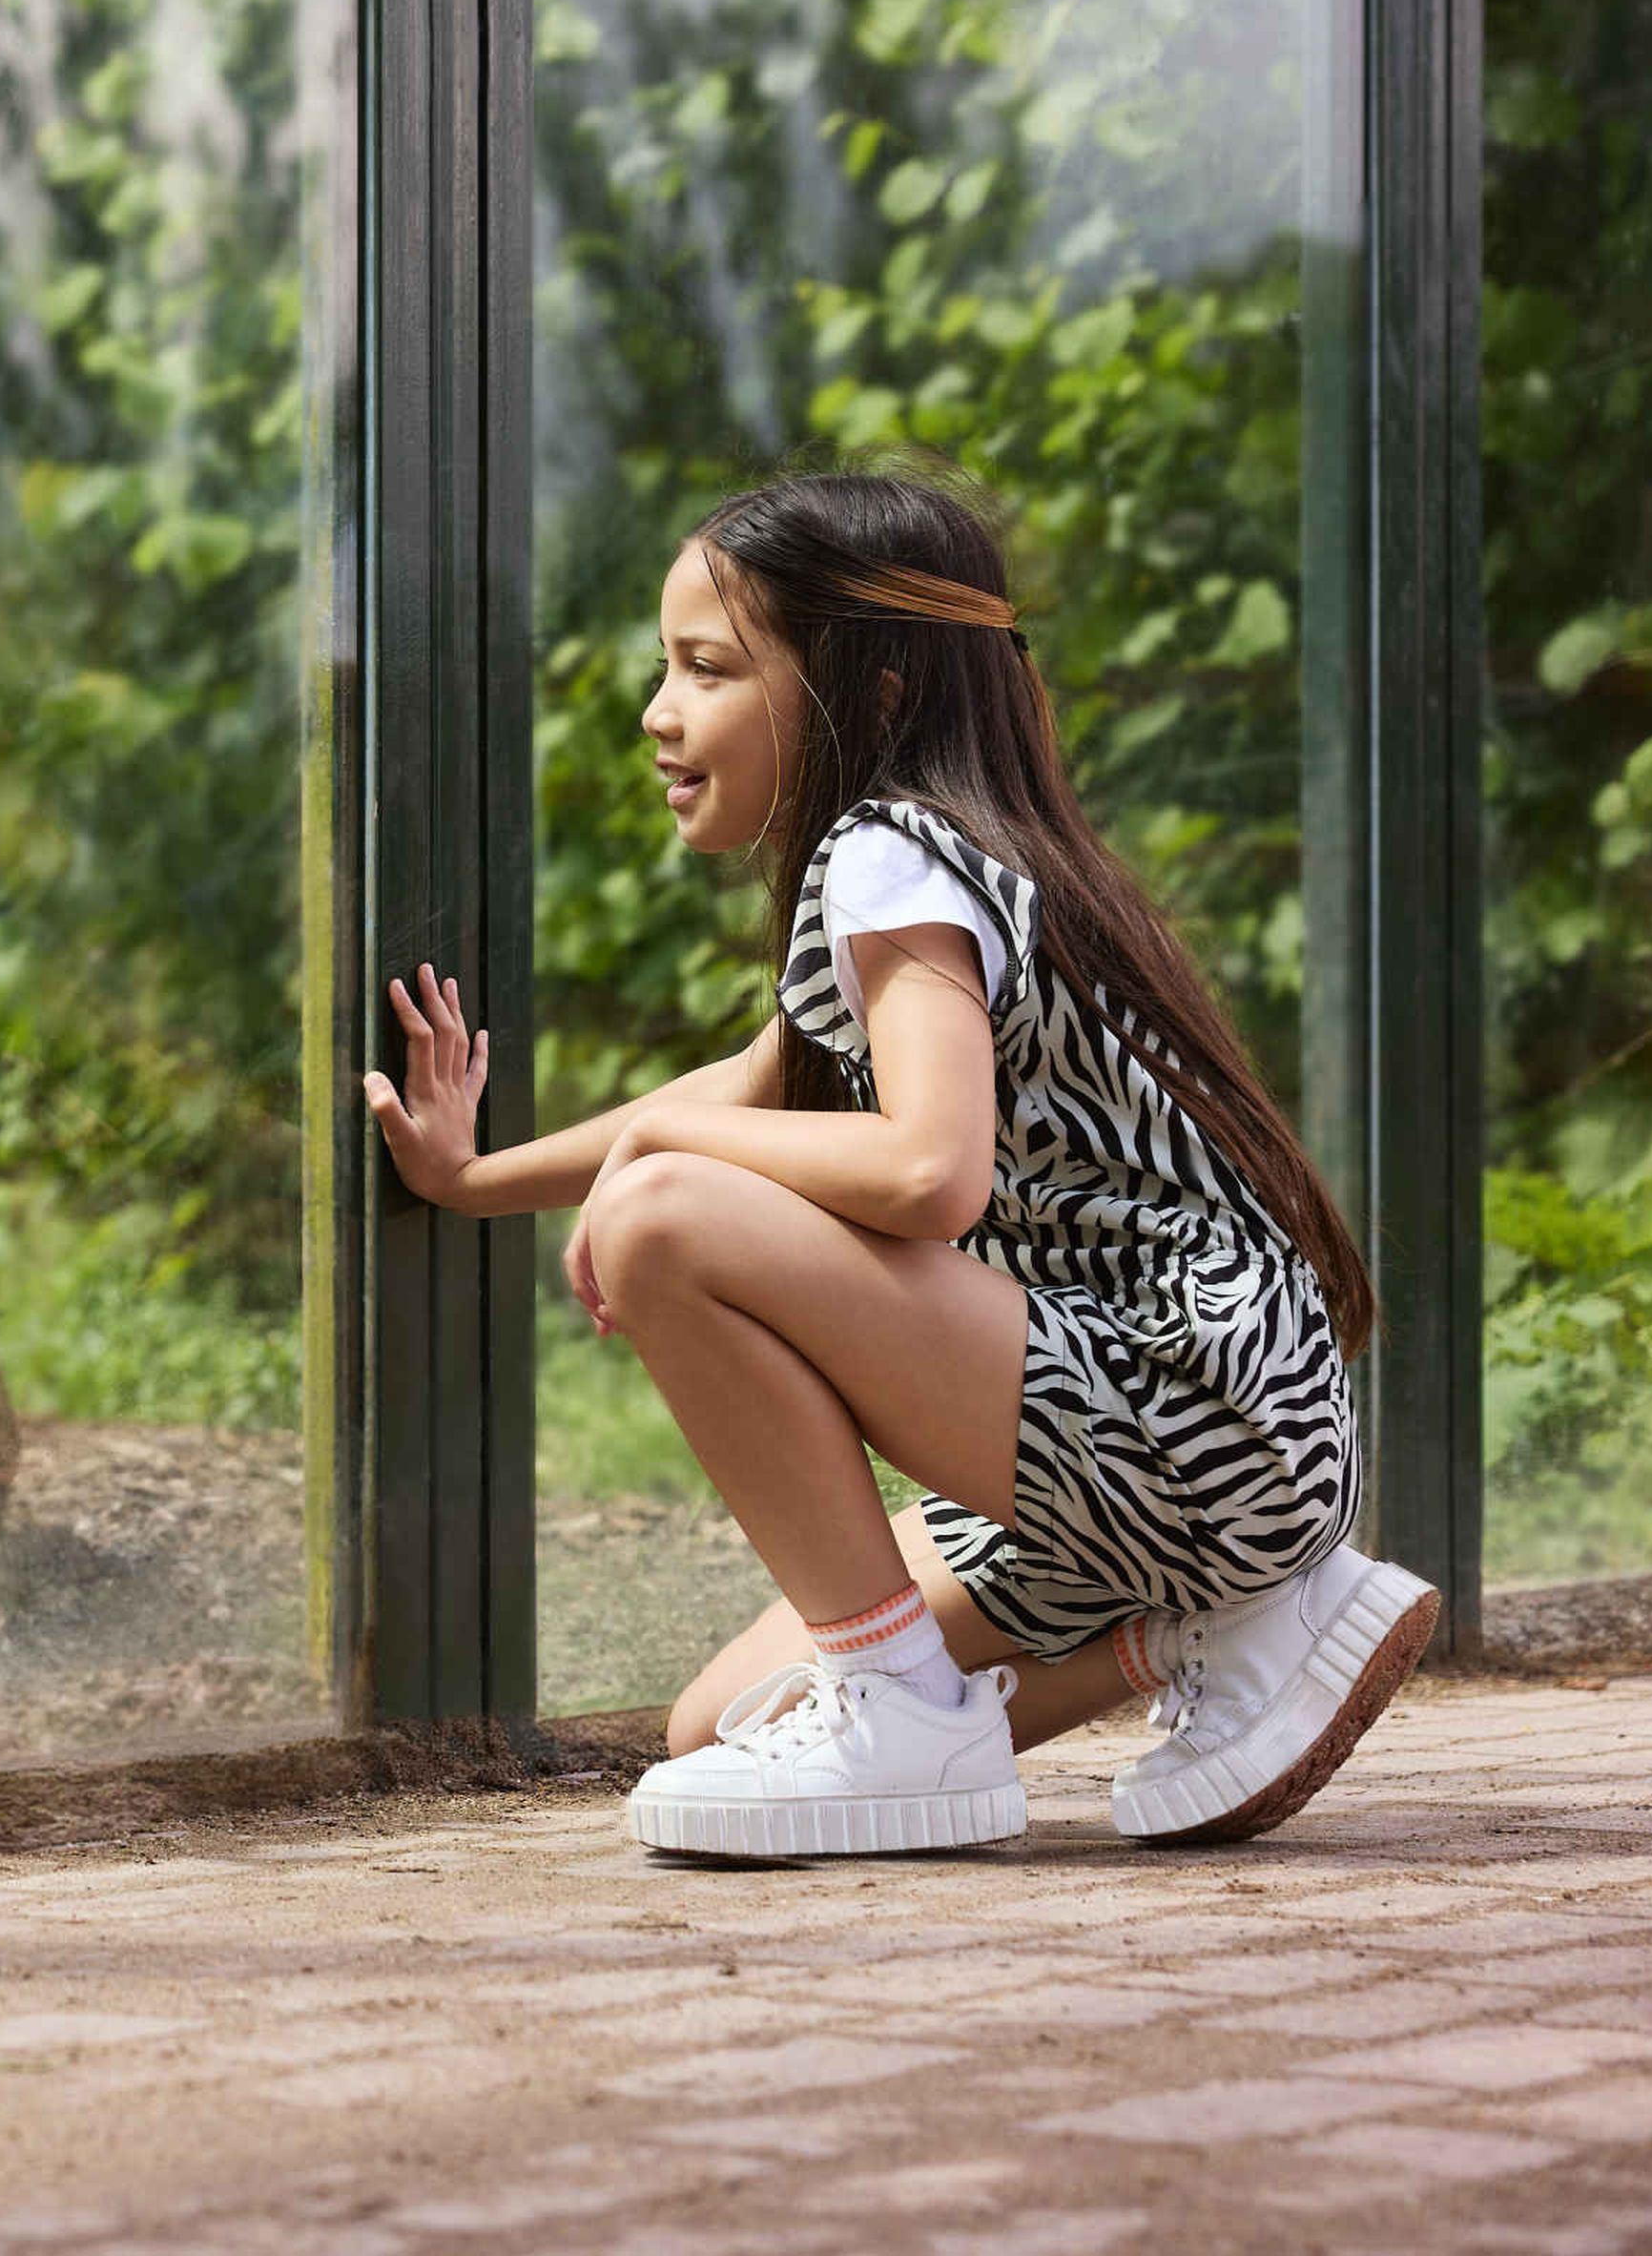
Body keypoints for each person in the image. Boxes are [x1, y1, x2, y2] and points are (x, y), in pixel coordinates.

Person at [363, 458, 1436, 1858]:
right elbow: (730, 1089)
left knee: (664, 1217)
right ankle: (1199, 1631)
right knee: (724, 1724)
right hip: (1209, 1435)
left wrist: (654, 1160)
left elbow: (934, 1173)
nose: (658, 712)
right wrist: (472, 1178)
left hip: (1182, 1406)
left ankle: (906, 1714)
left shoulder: (893, 857)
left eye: (708, 670)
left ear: (864, 697)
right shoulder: (941, 854)